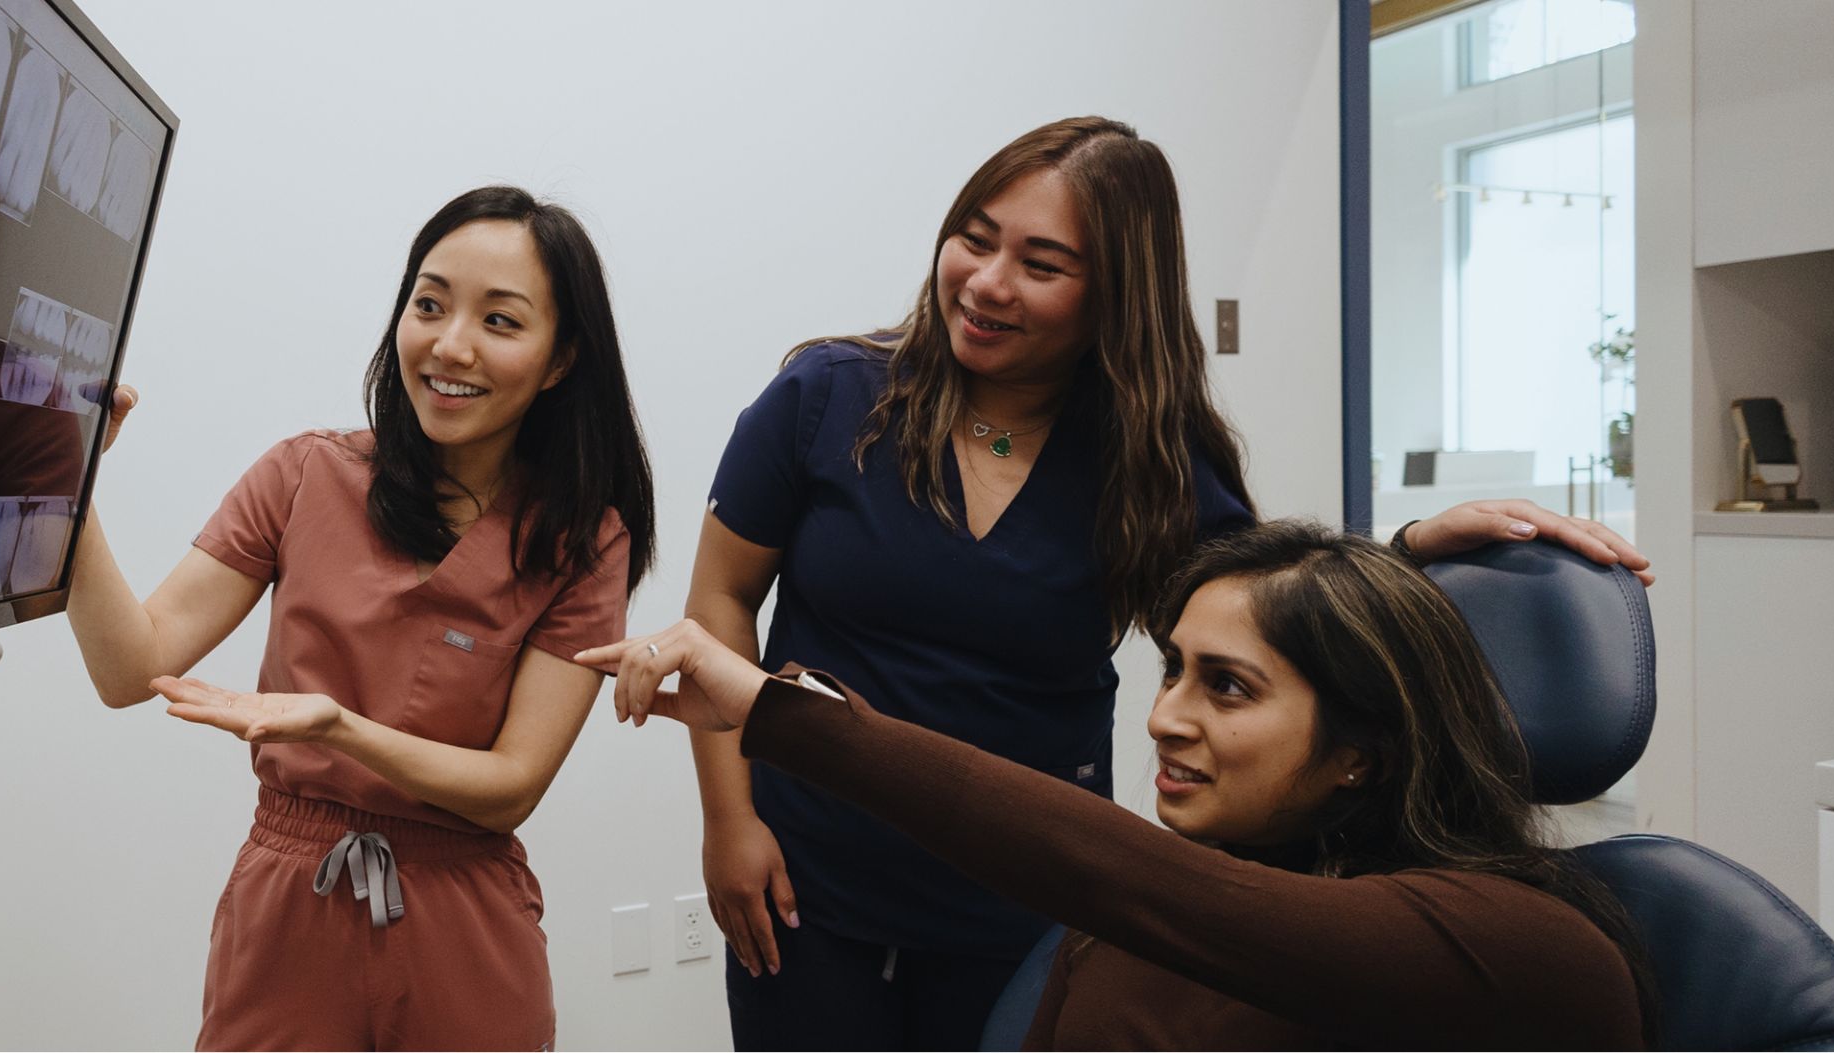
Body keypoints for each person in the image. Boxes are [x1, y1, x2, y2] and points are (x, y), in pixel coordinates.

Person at [680, 115, 1651, 1049]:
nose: (985, 282)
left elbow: (1262, 612)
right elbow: (721, 599)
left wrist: (1405, 547)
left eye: (1040, 264)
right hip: (804, 876)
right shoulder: (825, 398)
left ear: (1113, 294)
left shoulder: (1150, 460)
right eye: (972, 240)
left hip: (1024, 888)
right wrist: (730, 823)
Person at [583, 519, 1653, 1048]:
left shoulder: (1520, 948)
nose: (1163, 717)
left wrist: (787, 717)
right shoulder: (1132, 921)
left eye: (1225, 689)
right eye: (1171, 668)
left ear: (1361, 751)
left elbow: (1147, 887)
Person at [63, 186, 657, 1051]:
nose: (449, 345)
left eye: (500, 321)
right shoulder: (305, 474)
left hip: (464, 927)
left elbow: (511, 786)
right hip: (287, 915)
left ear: (561, 358)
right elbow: (130, 669)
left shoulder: (581, 537)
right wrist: (69, 487)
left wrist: (341, 727)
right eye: (429, 304)